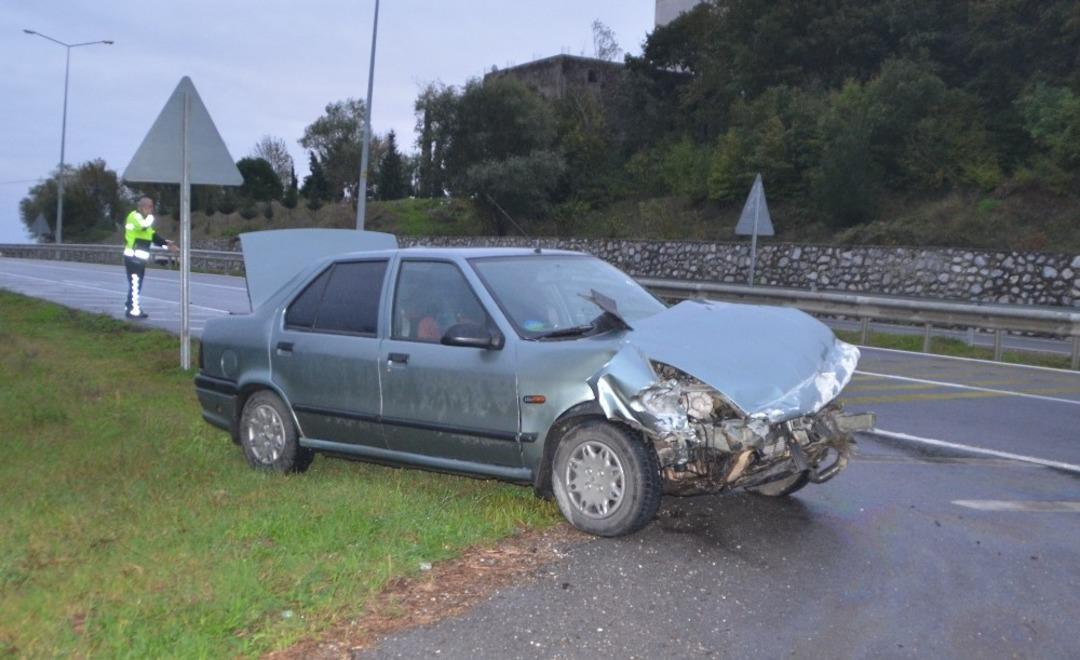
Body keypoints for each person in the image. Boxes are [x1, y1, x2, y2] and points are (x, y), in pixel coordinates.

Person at [122, 197, 178, 318]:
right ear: (142, 207)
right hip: (133, 256)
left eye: (152, 206)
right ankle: (133, 310)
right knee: (136, 283)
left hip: (140, 258)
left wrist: (167, 245)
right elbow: (143, 226)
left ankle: (130, 305)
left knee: (136, 284)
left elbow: (153, 236)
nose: (152, 209)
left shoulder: (145, 220)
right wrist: (151, 218)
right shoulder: (135, 217)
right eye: (150, 206)